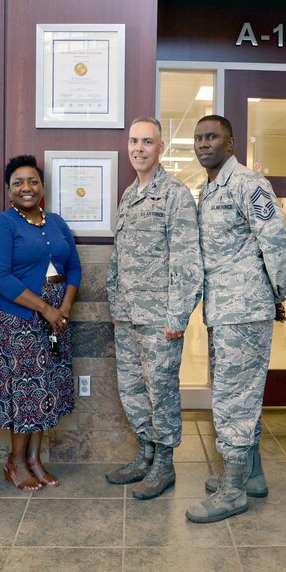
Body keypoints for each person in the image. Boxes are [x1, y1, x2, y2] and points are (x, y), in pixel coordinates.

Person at [185, 115, 286, 524]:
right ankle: (253, 475)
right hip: (223, 311)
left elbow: (277, 243)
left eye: (212, 137)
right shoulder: (209, 189)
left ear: (230, 144)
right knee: (237, 395)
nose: (203, 144)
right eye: (199, 138)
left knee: (234, 401)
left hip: (244, 311)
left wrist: (273, 294)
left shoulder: (248, 184)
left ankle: (233, 490)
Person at [105, 117, 203, 499]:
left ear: (161, 147)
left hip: (160, 320)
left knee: (161, 391)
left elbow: (186, 260)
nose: (139, 148)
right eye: (134, 141)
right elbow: (119, 257)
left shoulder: (175, 195)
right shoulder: (129, 196)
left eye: (147, 141)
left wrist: (177, 316)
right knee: (132, 390)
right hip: (128, 317)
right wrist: (116, 303)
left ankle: (164, 464)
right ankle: (145, 453)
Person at [0, 155, 81, 491]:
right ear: (9, 190)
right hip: (18, 321)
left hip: (55, 321)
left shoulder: (56, 222)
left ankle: (36, 460)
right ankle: (16, 462)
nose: (27, 187)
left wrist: (64, 307)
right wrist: (45, 310)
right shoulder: (2, 224)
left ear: (42, 186)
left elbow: (74, 267)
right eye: (18, 183)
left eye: (33, 181)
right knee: (25, 393)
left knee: (46, 388)